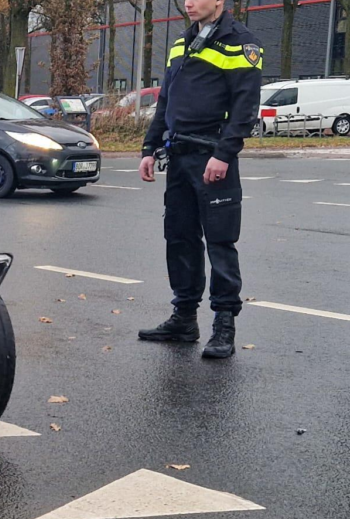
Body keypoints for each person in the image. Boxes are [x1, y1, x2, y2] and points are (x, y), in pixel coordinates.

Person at [136, 0, 262, 359]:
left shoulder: (241, 43)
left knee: (220, 241)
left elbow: (245, 106)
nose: (189, 2)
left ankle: (224, 325)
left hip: (213, 155)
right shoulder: (182, 42)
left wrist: (224, 154)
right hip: (178, 156)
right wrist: (149, 146)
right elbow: (165, 100)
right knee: (179, 238)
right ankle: (184, 318)